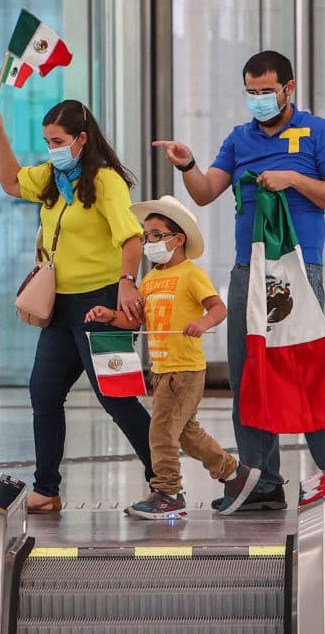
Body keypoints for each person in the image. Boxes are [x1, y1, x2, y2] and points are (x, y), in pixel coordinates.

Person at [152, 51, 325, 511]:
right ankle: (262, 482)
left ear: (289, 88)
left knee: (303, 368)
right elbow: (206, 192)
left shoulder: (318, 133)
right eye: (252, 92)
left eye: (267, 91)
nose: (259, 99)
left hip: (298, 271)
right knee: (249, 375)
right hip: (248, 271)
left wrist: (294, 180)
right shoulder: (239, 139)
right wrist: (187, 165)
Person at [0, 99, 153, 513]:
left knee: (116, 397)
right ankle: (46, 489)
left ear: (81, 139)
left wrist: (127, 284)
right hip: (60, 307)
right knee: (43, 392)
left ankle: (163, 480)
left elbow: (131, 238)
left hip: (100, 304)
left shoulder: (106, 181)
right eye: (46, 141)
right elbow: (10, 182)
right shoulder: (52, 176)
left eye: (57, 141)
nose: (51, 148)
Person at [86, 196, 264, 518]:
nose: (148, 242)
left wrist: (202, 322)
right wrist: (110, 316)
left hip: (185, 369)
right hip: (161, 369)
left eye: (156, 235)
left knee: (162, 431)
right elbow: (135, 320)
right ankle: (235, 475)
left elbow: (218, 308)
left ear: (177, 239)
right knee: (186, 433)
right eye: (145, 236)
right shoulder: (150, 280)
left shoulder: (191, 274)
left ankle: (168, 491)